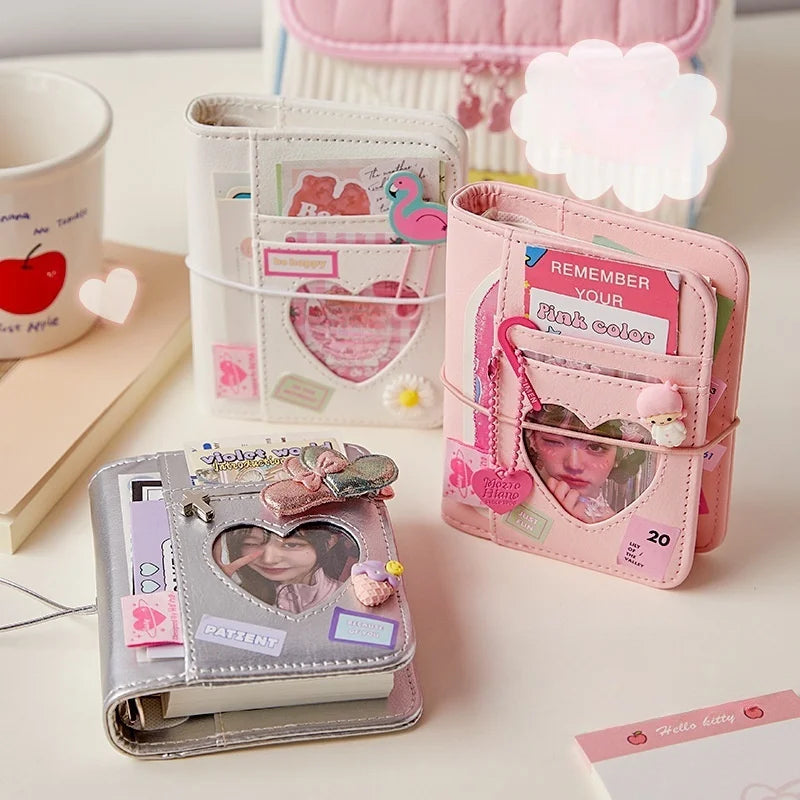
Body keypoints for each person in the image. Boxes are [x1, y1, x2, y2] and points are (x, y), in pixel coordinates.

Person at [524, 405, 647, 523]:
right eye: (554, 442)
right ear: (533, 440)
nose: (574, 465)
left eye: (595, 447)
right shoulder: (523, 503)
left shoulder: (624, 529)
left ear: (619, 455)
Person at [214, 524, 356, 613]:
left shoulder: (347, 596)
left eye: (291, 545)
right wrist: (218, 589)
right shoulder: (238, 595)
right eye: (251, 544)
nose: (269, 559)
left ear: (330, 542)